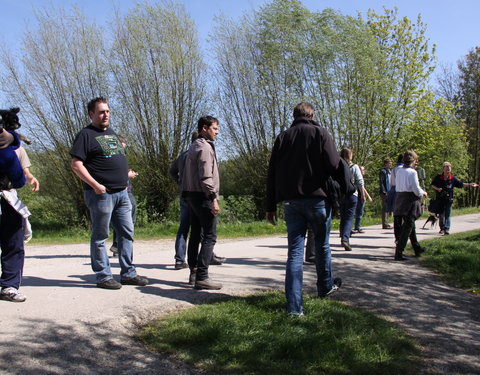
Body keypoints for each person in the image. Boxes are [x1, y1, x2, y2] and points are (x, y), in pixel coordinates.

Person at [266, 102, 342, 316]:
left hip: (291, 202)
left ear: (294, 116)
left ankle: (294, 309)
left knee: (295, 253)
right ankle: (325, 286)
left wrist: (270, 205)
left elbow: (272, 173)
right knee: (322, 246)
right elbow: (334, 165)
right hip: (318, 199)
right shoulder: (321, 133)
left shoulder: (283, 137)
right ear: (312, 114)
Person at [70, 97, 147, 289]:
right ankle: (103, 276)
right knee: (100, 236)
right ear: (91, 114)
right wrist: (96, 185)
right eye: (102, 112)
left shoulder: (111, 134)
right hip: (101, 195)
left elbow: (113, 159)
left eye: (108, 111)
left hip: (122, 193)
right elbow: (76, 165)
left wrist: (124, 175)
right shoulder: (85, 135)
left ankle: (128, 273)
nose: (106, 115)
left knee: (126, 234)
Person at [169, 132, 226, 270]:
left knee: (188, 229)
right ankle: (204, 264)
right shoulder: (202, 150)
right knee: (205, 231)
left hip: (186, 194)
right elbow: (205, 176)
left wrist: (181, 183)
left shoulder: (183, 155)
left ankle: (181, 260)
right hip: (199, 194)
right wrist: (213, 197)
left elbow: (172, 171)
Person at [181, 116, 222, 290]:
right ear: (205, 128)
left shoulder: (193, 146)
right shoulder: (204, 148)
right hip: (203, 196)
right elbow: (206, 177)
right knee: (210, 235)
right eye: (215, 128)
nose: (217, 132)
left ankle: (194, 272)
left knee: (196, 234)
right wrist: (213, 198)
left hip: (191, 196)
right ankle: (202, 276)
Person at [0, 129, 27, 302]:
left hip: (7, 197)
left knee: (14, 240)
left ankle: (9, 285)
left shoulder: (10, 148)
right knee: (13, 241)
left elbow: (20, 177)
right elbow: (18, 179)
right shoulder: (8, 152)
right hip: (6, 195)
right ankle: (9, 285)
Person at [393, 150, 427, 261]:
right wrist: (423, 193)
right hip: (410, 201)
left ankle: (417, 248)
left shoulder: (399, 171)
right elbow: (416, 189)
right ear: (413, 160)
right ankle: (399, 252)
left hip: (400, 199)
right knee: (407, 227)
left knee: (410, 225)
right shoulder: (413, 172)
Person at [109, 135, 138, 257]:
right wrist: (128, 175)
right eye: (122, 147)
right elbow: (115, 174)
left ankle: (117, 245)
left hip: (124, 190)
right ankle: (121, 246)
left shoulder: (117, 156)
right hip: (123, 191)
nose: (123, 150)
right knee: (128, 220)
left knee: (120, 220)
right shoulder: (113, 157)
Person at [431, 162, 478, 235]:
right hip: (440, 199)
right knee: (441, 215)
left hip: (449, 199)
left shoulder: (452, 178)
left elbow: (461, 184)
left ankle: (447, 229)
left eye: (449, 170)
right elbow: (432, 185)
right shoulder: (438, 177)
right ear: (443, 169)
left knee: (448, 214)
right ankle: (442, 228)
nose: (447, 171)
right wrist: (437, 189)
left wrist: (470, 184)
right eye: (446, 170)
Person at [339, 148, 364, 251]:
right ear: (350, 156)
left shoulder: (338, 166)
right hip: (352, 194)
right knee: (349, 217)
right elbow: (359, 181)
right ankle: (345, 238)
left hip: (341, 194)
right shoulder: (354, 167)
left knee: (343, 216)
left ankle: (343, 234)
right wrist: (363, 194)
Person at [353, 165, 372, 234]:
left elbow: (364, 188)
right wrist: (367, 196)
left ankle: (357, 227)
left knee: (360, 212)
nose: (362, 171)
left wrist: (368, 196)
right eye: (361, 170)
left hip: (361, 196)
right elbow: (362, 188)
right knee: (357, 212)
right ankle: (356, 227)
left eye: (363, 170)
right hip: (358, 196)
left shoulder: (361, 178)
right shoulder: (358, 178)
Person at [379, 158, 392, 229]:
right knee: (385, 207)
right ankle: (384, 223)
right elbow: (381, 182)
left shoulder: (389, 171)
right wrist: (384, 191)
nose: (391, 164)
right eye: (389, 163)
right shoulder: (383, 171)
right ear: (385, 164)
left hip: (389, 191)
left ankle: (387, 222)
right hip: (384, 192)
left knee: (388, 207)